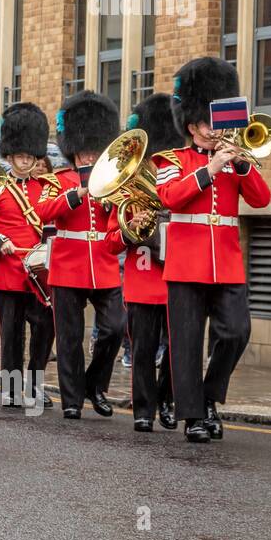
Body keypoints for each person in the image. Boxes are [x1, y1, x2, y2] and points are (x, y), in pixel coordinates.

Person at [155, 57, 271, 443]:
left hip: (227, 265)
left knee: (237, 331)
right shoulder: (172, 160)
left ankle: (209, 395)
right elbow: (171, 197)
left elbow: (261, 200)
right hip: (186, 266)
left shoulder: (238, 160)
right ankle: (194, 417)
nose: (216, 130)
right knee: (186, 345)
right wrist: (209, 169)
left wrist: (239, 165)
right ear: (192, 126)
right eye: (208, 123)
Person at [31, 91, 127, 420]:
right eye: (83, 150)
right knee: (70, 337)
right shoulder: (58, 181)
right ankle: (72, 398)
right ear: (73, 149)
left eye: (93, 150)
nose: (88, 156)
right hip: (68, 264)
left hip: (103, 263)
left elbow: (118, 224)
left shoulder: (113, 183)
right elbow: (41, 211)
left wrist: (114, 208)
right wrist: (75, 196)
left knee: (115, 327)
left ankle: (94, 385)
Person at [0, 102, 60, 408]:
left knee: (45, 329)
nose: (26, 161)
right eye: (21, 156)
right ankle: (11, 387)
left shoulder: (46, 187)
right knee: (12, 335)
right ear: (10, 155)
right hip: (8, 270)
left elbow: (52, 222)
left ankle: (35, 381)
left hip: (39, 272)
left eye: (30, 156)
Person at [113, 92, 178, 432]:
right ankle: (143, 408)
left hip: (177, 278)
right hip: (141, 280)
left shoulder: (177, 177)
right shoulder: (127, 187)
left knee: (177, 348)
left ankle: (167, 398)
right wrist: (130, 229)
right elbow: (112, 242)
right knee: (142, 351)